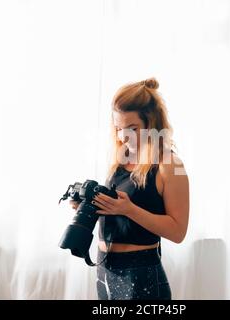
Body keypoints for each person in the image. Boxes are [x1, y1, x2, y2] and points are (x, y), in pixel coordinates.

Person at [70, 77, 189, 300]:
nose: (123, 136)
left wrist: (129, 209)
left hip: (141, 274)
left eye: (132, 128)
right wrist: (91, 205)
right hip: (105, 270)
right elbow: (117, 213)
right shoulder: (120, 159)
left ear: (151, 123)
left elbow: (178, 231)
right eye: (118, 128)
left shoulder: (171, 164)